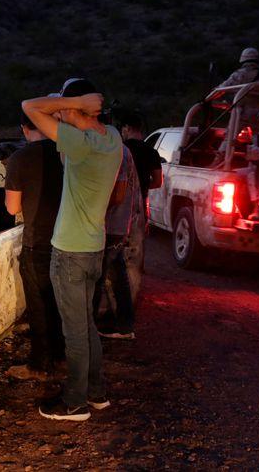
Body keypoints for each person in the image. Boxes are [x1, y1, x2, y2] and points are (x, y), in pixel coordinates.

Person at [22, 78, 121, 422]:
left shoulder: (80, 145)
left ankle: (75, 402)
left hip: (70, 252)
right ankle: (96, 392)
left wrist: (74, 103)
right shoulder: (111, 138)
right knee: (87, 326)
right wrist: (73, 106)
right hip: (93, 248)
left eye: (65, 105)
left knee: (74, 332)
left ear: (76, 107)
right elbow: (48, 112)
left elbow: (29, 107)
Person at [4, 113, 65, 381]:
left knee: (39, 305)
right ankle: (61, 356)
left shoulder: (19, 158)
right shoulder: (66, 153)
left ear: (24, 128)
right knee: (60, 303)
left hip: (37, 241)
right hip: (67, 240)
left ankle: (40, 365)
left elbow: (12, 208)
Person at [94, 144, 141, 340]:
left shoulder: (114, 150)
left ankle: (91, 328)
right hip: (118, 224)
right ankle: (124, 324)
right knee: (116, 273)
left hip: (111, 224)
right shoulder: (122, 150)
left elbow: (118, 194)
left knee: (98, 276)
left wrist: (93, 208)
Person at [117, 110, 160, 294]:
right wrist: (142, 185)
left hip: (118, 204)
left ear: (126, 128)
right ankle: (133, 296)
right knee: (136, 250)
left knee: (116, 250)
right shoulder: (151, 152)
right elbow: (158, 182)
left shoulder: (120, 149)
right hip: (139, 206)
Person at [214, 48, 259, 164]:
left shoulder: (240, 74)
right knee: (258, 137)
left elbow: (224, 87)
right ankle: (257, 162)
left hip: (242, 112)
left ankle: (219, 160)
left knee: (230, 136)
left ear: (243, 59)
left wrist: (212, 95)